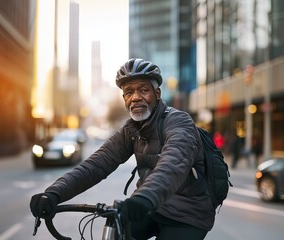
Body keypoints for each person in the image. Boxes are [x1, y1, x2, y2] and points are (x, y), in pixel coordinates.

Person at [30, 58, 215, 240]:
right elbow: (96, 165)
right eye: (129, 92)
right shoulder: (131, 130)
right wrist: (54, 193)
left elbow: (174, 163)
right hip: (151, 206)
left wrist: (145, 197)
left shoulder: (178, 122)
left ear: (157, 94)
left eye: (143, 90)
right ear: (124, 98)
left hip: (188, 213)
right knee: (115, 231)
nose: (136, 97)